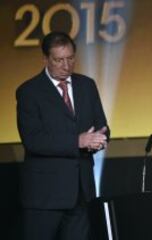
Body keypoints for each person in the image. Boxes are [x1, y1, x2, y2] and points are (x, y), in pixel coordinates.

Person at [16, 32, 110, 240]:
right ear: (45, 59)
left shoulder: (87, 85)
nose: (66, 65)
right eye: (59, 60)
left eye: (70, 58)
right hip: (45, 196)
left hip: (81, 191)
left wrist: (99, 140)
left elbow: (102, 126)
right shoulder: (29, 92)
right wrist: (78, 141)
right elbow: (33, 140)